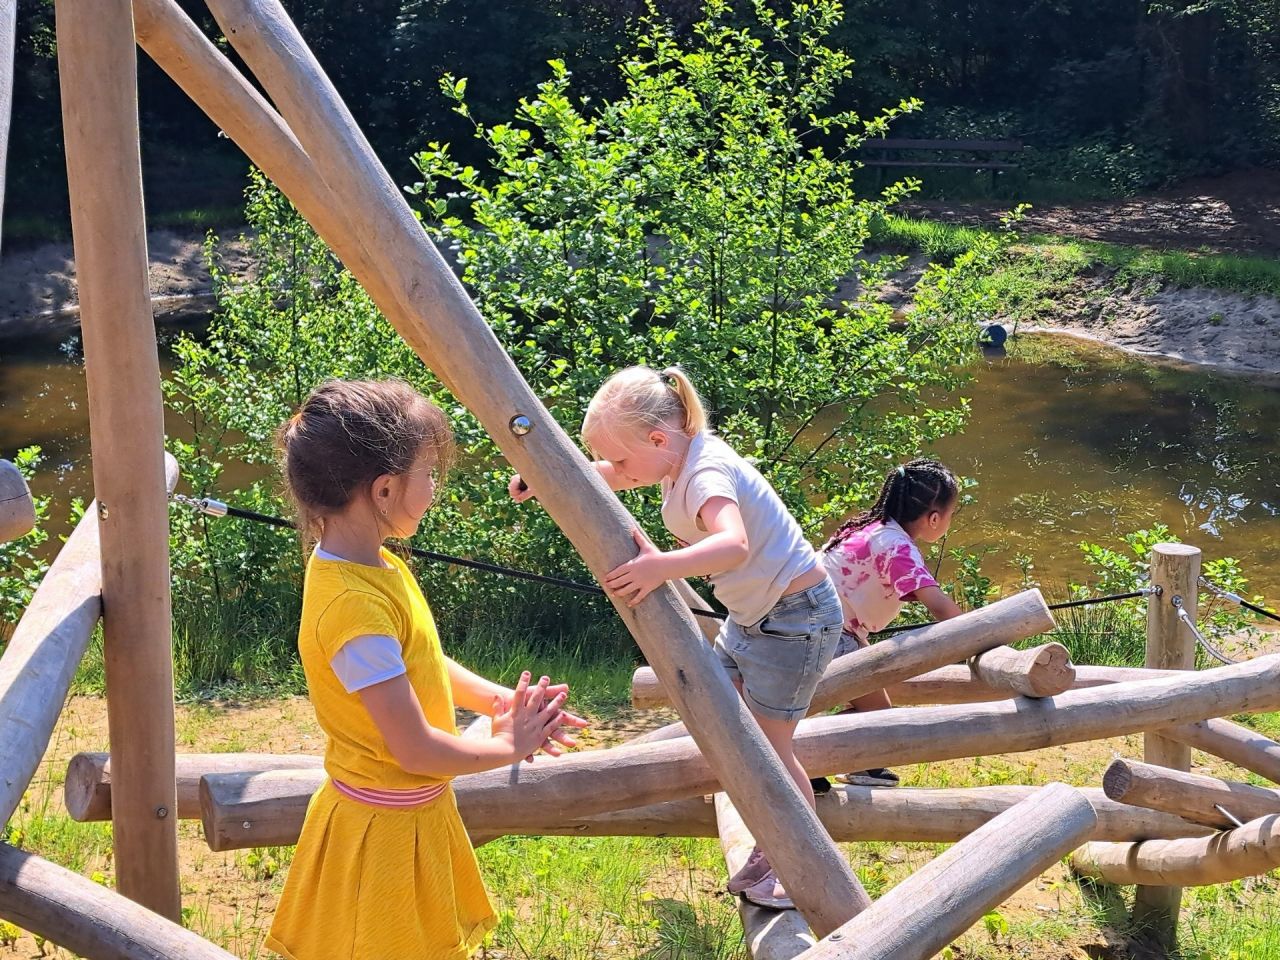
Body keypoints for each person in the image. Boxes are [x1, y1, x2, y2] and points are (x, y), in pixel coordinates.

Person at [266, 379, 586, 960]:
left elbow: (418, 660)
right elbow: (415, 750)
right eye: (430, 473)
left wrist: (497, 705)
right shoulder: (353, 607)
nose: (436, 488)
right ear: (385, 490)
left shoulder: (372, 565)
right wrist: (508, 747)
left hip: (410, 818)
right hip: (382, 838)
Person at [509, 365, 842, 910]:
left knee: (770, 751)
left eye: (620, 457)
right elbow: (614, 474)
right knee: (731, 724)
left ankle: (799, 864)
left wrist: (660, 566)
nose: (615, 470)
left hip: (794, 620)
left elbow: (732, 545)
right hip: (755, 617)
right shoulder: (675, 457)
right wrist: (546, 477)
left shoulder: (706, 473)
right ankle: (775, 838)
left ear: (659, 439)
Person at [817, 458, 963, 790]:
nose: (949, 522)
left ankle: (849, 763)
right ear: (934, 518)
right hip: (830, 635)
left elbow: (873, 579)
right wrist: (986, 632)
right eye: (951, 515)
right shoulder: (897, 546)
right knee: (880, 719)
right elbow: (939, 606)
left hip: (818, 625)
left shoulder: (868, 527)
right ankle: (817, 760)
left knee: (875, 711)